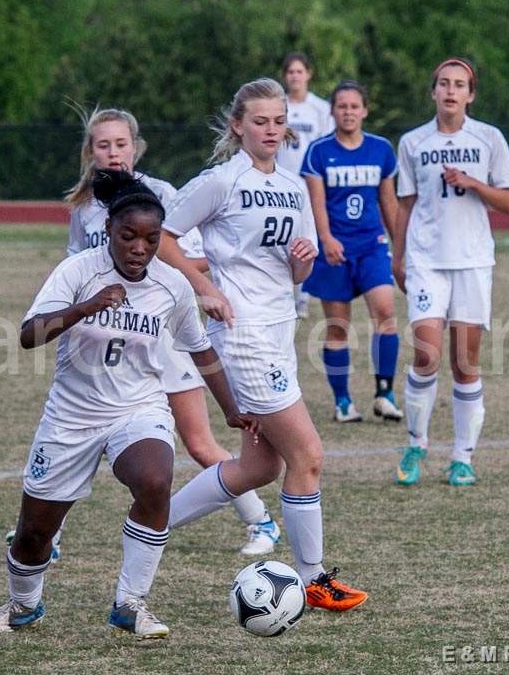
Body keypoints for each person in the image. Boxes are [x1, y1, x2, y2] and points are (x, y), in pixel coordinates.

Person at [0, 169, 258, 639]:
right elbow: (29, 336)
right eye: (129, 237)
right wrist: (86, 307)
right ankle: (23, 605)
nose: (139, 249)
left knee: (154, 480)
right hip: (71, 417)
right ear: (109, 229)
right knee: (33, 534)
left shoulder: (172, 286)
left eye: (150, 240)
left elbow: (201, 349)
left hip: (138, 409)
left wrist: (229, 408)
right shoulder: (78, 271)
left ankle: (131, 603)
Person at [157, 78, 368, 613]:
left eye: (278, 121)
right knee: (309, 455)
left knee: (259, 469)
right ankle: (313, 578)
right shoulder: (221, 181)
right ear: (238, 125)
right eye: (260, 122)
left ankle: (150, 520)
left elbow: (297, 271)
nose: (271, 130)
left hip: (279, 331)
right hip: (244, 338)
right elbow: (161, 237)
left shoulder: (294, 187)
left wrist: (303, 258)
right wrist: (205, 288)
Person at [62, 107, 280, 555]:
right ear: (90, 152)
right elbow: (73, 268)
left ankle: (262, 523)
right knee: (78, 438)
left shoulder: (160, 194)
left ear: (135, 147)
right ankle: (50, 537)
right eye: (103, 145)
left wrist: (149, 267)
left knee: (199, 442)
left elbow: (197, 259)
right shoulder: (84, 209)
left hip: (164, 338)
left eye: (121, 144)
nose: (113, 152)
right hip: (108, 342)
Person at [391, 58, 509, 487]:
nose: (450, 90)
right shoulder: (412, 142)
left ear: (471, 94)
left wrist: (473, 183)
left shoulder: (489, 138)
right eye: (443, 83)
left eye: (459, 84)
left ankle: (462, 457)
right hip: (427, 260)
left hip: (473, 261)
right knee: (426, 354)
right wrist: (398, 256)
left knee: (465, 364)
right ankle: (416, 444)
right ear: (433, 92)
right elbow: (405, 204)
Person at [300, 80, 403, 424]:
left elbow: (389, 202)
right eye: (341, 106)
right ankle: (343, 401)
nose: (348, 112)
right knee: (338, 327)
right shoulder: (318, 151)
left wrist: (398, 245)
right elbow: (316, 203)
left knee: (386, 312)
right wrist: (326, 238)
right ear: (332, 111)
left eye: (354, 106)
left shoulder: (380, 149)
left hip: (372, 246)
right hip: (335, 249)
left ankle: (384, 393)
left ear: (364, 111)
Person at [277, 52, 335, 319]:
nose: (295, 76)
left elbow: (327, 146)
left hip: (310, 185)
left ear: (308, 74)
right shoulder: (278, 106)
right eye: (291, 72)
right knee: (281, 238)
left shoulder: (321, 108)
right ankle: (286, 293)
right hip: (280, 183)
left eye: (300, 71)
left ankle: (304, 294)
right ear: (285, 76)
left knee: (307, 238)